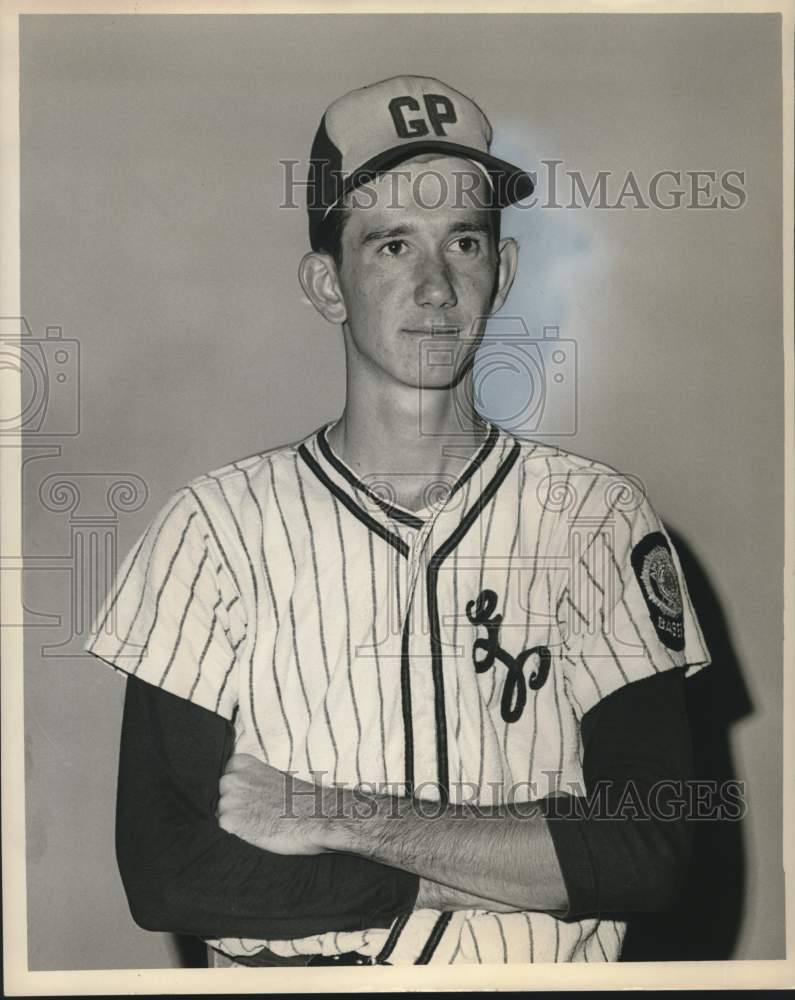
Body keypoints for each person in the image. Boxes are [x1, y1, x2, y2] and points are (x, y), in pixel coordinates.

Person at [86, 75, 711, 966]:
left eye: (464, 241)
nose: (434, 287)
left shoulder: (599, 519)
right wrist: (522, 861)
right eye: (389, 246)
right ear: (326, 283)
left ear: (504, 271)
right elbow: (172, 874)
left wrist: (332, 816)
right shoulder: (212, 531)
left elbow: (644, 854)